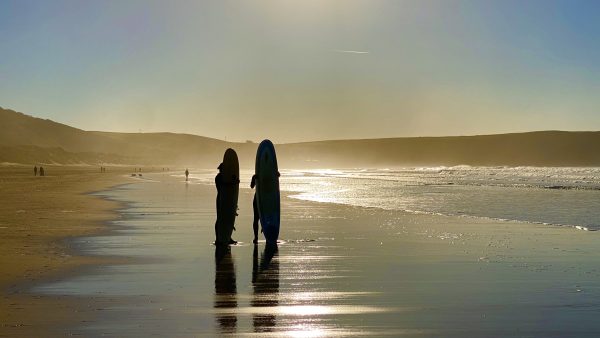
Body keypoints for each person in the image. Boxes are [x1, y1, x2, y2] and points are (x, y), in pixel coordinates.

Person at [215, 163, 237, 245]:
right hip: (221, 199)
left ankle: (228, 237)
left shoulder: (225, 177)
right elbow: (224, 185)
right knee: (220, 219)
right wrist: (234, 182)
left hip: (227, 199)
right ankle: (218, 238)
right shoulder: (218, 177)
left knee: (228, 218)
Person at [251, 174, 260, 244]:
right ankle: (256, 237)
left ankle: (268, 234)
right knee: (256, 218)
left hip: (266, 199)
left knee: (266, 218)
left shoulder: (270, 174)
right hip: (257, 198)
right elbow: (251, 186)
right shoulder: (255, 176)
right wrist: (254, 179)